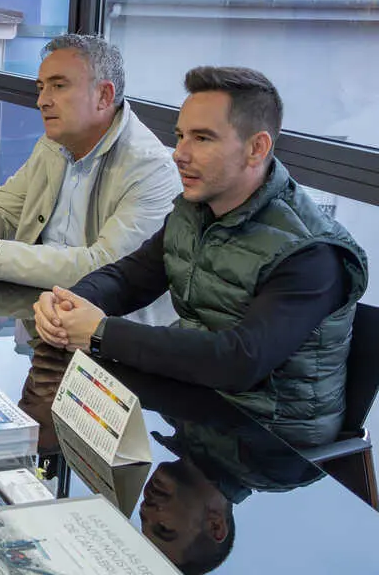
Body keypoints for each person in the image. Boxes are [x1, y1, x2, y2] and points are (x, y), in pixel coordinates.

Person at [34, 66, 368, 447]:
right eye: (180, 136)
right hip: (198, 404)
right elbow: (130, 278)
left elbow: (240, 360)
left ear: (257, 148)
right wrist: (71, 301)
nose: (179, 154)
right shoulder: (195, 210)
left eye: (202, 139)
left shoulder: (311, 253)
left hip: (272, 441)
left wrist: (100, 331)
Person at [0, 35, 180, 324]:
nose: (42, 101)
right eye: (41, 88)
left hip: (108, 339)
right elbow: (0, 208)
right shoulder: (53, 145)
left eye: (58, 86)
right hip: (39, 318)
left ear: (104, 96)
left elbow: (105, 267)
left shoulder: (150, 168)